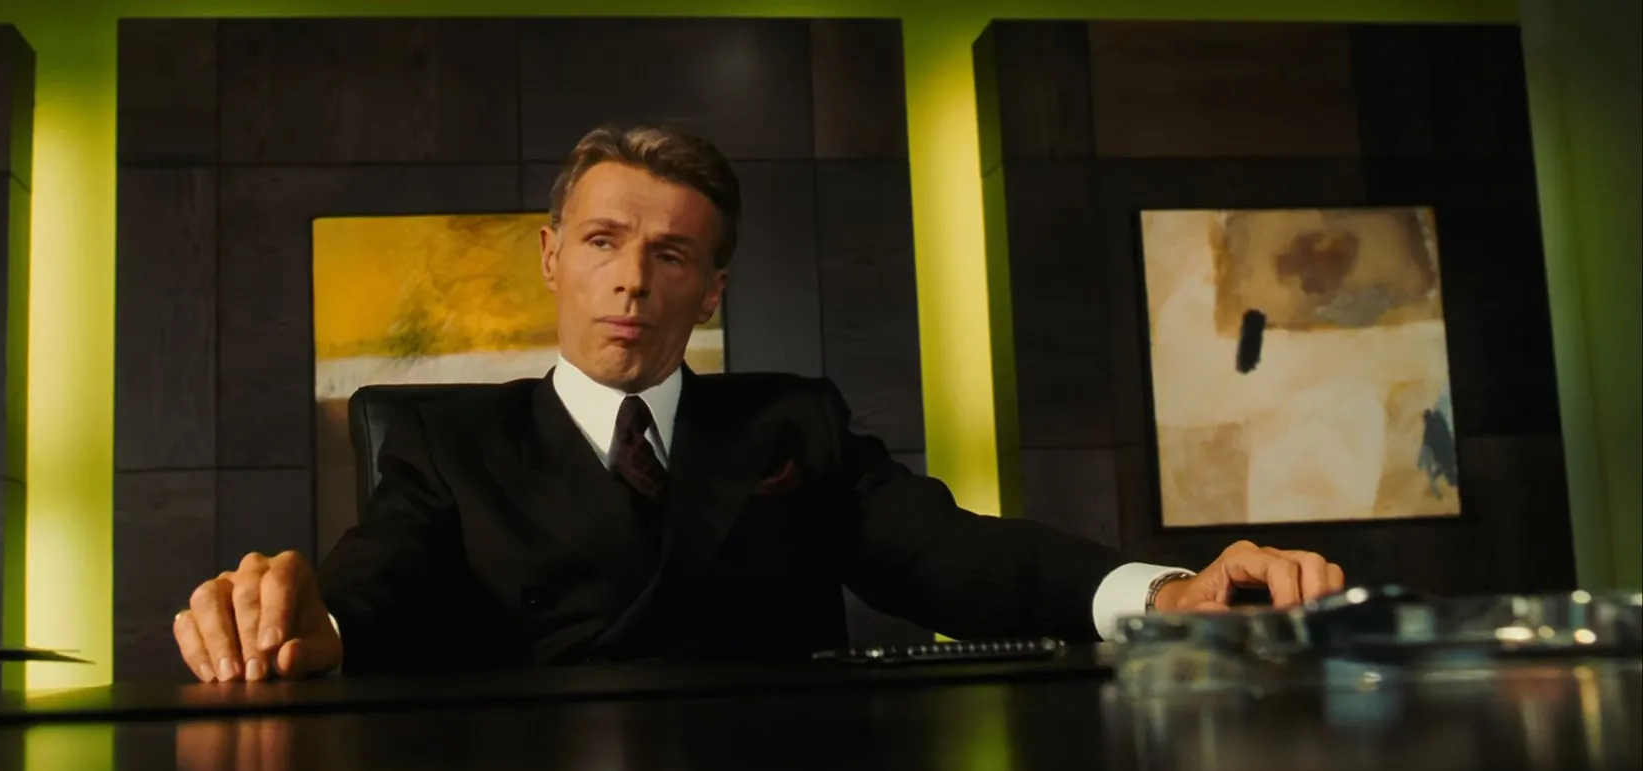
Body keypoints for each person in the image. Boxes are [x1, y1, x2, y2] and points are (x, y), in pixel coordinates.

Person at [173, 125, 1347, 683]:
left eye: (672, 254)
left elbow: (952, 553)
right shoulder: (447, 437)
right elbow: (385, 571)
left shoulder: (793, 424)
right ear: (551, 256)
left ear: (713, 289)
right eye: (603, 240)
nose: (633, 280)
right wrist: (319, 621)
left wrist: (1167, 594)